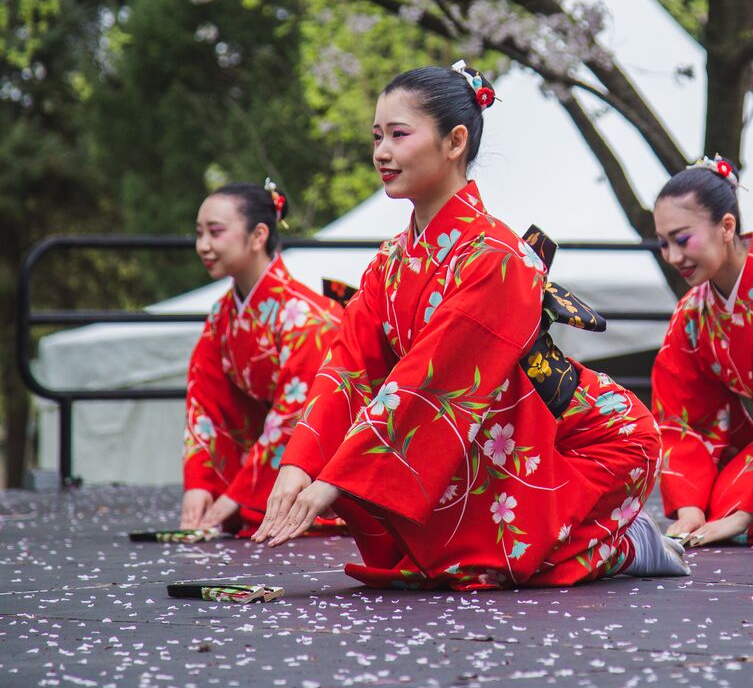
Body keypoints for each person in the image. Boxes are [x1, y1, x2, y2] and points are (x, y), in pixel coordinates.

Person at [253, 63, 688, 588]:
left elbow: (430, 380)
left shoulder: (499, 257)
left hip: (590, 440)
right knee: (443, 557)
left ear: (454, 141)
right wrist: (301, 464)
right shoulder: (390, 261)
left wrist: (333, 481)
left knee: (490, 561)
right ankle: (585, 538)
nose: (381, 153)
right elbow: (349, 364)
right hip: (493, 435)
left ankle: (619, 542)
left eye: (398, 134)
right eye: (376, 137)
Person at [181, 180, 344, 534]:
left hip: (327, 454)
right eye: (199, 234)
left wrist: (237, 495)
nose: (203, 246)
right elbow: (204, 399)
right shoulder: (221, 315)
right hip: (273, 457)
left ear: (257, 236)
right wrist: (200, 484)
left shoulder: (307, 317)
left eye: (215, 232)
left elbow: (295, 413)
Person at [652, 155, 753, 547]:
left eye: (682, 239)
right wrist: (689, 507)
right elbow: (682, 419)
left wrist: (744, 510)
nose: (674, 257)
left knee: (735, 505)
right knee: (716, 504)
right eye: (664, 244)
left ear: (727, 227)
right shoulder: (692, 314)